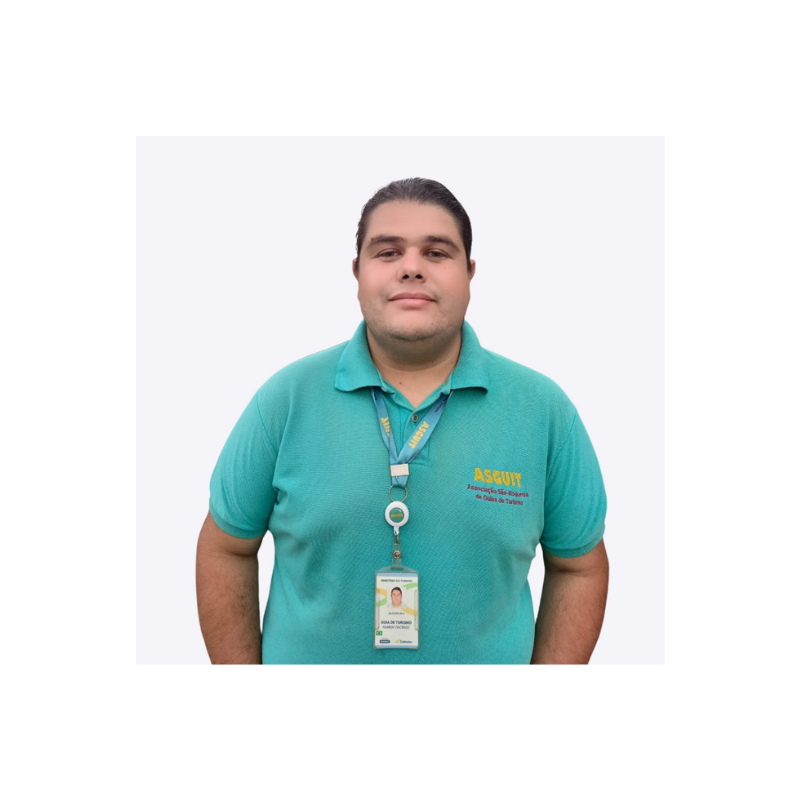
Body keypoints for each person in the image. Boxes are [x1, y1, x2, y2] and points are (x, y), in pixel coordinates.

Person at [196, 177, 609, 665]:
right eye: (388, 252)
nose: (411, 267)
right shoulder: (286, 400)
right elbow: (226, 548)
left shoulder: (543, 411)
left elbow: (579, 567)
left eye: (436, 253)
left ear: (470, 273)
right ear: (357, 272)